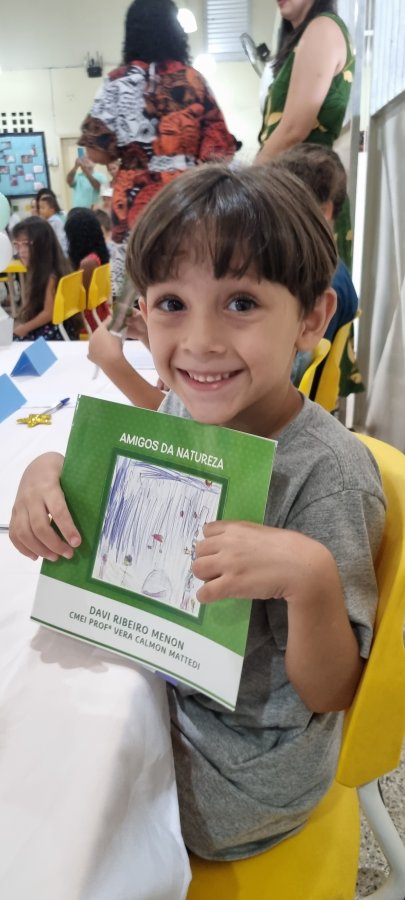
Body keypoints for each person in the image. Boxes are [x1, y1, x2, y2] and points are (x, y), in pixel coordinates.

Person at [10, 164, 385, 861]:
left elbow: (333, 691)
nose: (201, 341)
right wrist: (49, 471)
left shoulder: (328, 477)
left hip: (240, 764)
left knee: (54, 805)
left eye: (240, 302)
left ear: (310, 318)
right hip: (170, 686)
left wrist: (308, 577)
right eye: (172, 303)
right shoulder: (190, 410)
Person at [77, 0, 238, 293]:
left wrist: (129, 153)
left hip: (131, 200)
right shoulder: (193, 80)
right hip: (186, 198)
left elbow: (95, 151)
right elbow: (220, 151)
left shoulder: (116, 82)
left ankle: (134, 320)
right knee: (187, 281)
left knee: (134, 285)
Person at [257, 0, 354, 267]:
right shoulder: (308, 35)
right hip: (298, 188)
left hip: (306, 189)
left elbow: (293, 130)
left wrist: (248, 182)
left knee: (304, 285)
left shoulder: (322, 28)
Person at [269, 144, 359, 386]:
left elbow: (286, 375)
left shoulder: (321, 281)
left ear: (325, 210)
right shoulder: (332, 270)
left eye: (287, 203)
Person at [11, 217, 75, 341]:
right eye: (17, 245)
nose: (21, 251)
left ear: (42, 245)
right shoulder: (56, 266)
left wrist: (24, 328)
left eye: (26, 244)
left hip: (53, 335)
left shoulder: (50, 275)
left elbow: (48, 313)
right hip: (62, 329)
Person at [64, 207, 111, 329]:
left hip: (87, 321)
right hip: (100, 314)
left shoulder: (87, 263)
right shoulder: (97, 255)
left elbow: (81, 301)